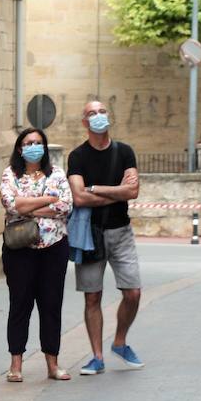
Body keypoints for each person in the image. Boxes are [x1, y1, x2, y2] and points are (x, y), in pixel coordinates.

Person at [66, 101, 143, 376]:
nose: (98, 117)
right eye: (91, 114)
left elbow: (132, 193)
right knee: (92, 297)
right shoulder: (77, 157)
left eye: (102, 112)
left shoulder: (124, 152)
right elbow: (78, 197)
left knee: (133, 292)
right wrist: (117, 190)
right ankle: (97, 356)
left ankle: (120, 341)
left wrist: (96, 188)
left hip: (121, 231)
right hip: (90, 234)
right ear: (85, 122)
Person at [0, 128, 73, 382]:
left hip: (54, 247)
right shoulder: (11, 174)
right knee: (19, 304)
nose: (34, 146)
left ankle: (52, 364)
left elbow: (65, 205)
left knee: (51, 305)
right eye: (29, 142)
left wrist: (29, 207)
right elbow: (11, 204)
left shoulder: (58, 174)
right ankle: (15, 364)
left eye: (39, 142)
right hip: (20, 249)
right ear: (20, 148)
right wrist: (46, 200)